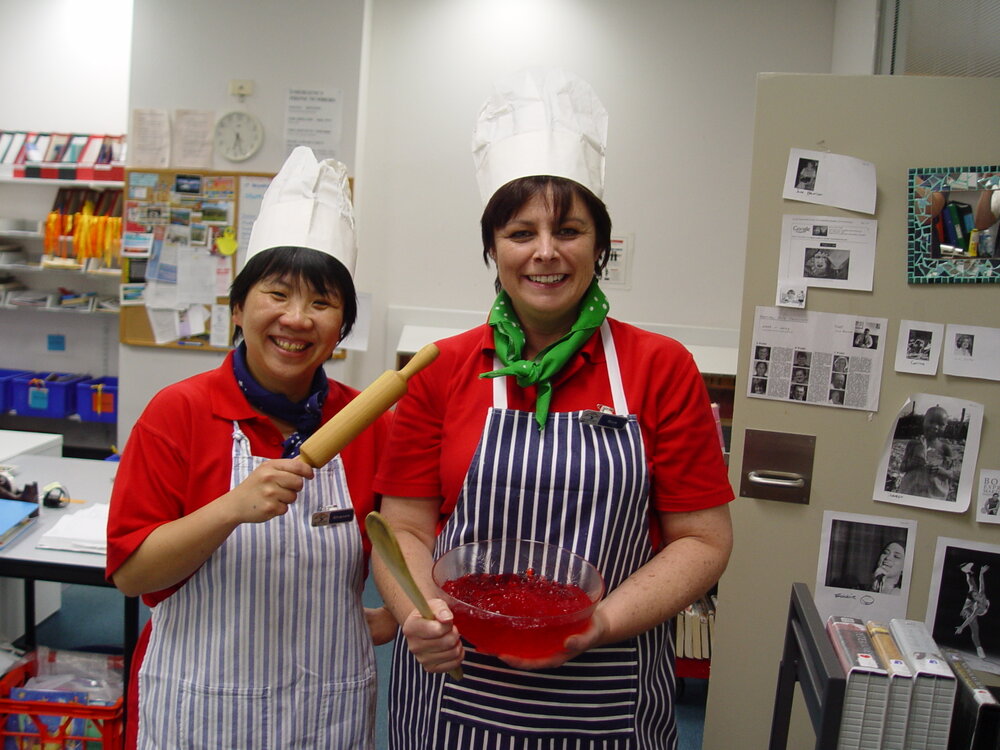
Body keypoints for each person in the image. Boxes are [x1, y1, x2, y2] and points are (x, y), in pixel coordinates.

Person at [372, 68, 734, 750]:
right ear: (493, 249)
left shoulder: (660, 368)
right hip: (458, 689)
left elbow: (704, 541)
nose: (545, 251)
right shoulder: (442, 367)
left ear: (600, 245)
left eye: (568, 229)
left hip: (606, 689)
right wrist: (416, 614)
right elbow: (406, 530)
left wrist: (597, 623)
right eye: (519, 232)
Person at [105, 148, 394, 749]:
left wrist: (396, 611)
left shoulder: (365, 419)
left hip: (327, 710)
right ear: (238, 308)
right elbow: (133, 575)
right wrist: (231, 508)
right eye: (277, 294)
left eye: (321, 302)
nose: (297, 318)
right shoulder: (180, 412)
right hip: (201, 707)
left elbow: (402, 540)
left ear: (342, 326)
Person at [897, 405, 959, 500]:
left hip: (933, 494)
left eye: (940, 424)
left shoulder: (945, 448)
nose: (935, 426)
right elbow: (902, 468)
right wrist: (913, 463)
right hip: (911, 490)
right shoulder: (913, 444)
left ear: (946, 426)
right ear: (924, 421)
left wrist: (941, 471)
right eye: (931, 422)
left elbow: (952, 474)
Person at [955, 563, 990, 659]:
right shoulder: (977, 607)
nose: (978, 595)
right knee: (975, 628)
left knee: (972, 587)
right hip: (967, 610)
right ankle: (979, 648)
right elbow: (970, 618)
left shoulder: (981, 594)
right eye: (975, 596)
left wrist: (982, 573)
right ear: (975, 600)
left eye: (977, 594)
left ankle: (967, 571)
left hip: (971, 603)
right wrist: (962, 627)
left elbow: (981, 583)